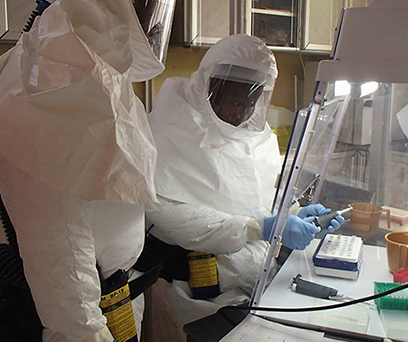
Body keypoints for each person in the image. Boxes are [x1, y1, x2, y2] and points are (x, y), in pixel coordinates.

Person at [0, 0, 178, 341]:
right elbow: (59, 260)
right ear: (99, 0)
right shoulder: (44, 97)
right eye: (144, 7)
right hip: (82, 319)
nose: (153, 27)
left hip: (115, 299)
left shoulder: (104, 86)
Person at [145, 34, 344, 339]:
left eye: (252, 101)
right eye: (237, 100)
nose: (243, 112)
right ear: (211, 86)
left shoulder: (256, 137)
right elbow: (167, 215)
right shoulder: (170, 130)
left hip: (251, 286)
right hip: (193, 297)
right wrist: (257, 228)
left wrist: (295, 212)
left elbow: (260, 196)